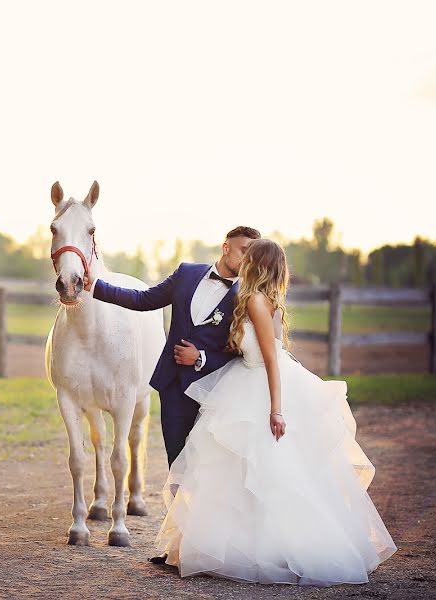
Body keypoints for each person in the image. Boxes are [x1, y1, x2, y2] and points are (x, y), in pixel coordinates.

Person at [154, 238, 396, 586]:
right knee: (250, 472)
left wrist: (276, 410)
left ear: (256, 265)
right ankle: (254, 543)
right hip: (247, 380)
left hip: (259, 386)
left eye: (249, 259)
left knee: (259, 470)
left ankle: (265, 549)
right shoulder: (265, 300)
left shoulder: (253, 300)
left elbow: (270, 359)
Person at [83, 226, 261, 469]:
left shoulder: (248, 296)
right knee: (176, 462)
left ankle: (202, 508)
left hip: (215, 391)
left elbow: (244, 351)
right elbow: (143, 300)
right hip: (173, 386)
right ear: (226, 247)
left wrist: (202, 357)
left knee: (210, 466)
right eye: (244, 250)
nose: (247, 259)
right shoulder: (186, 273)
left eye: (253, 254)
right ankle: (178, 507)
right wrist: (96, 287)